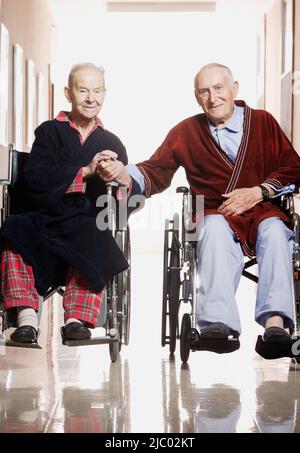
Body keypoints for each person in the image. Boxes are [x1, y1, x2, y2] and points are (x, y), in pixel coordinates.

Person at [98, 63, 300, 347]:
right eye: (204, 91)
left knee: (276, 232)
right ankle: (217, 323)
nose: (213, 97)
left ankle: (275, 324)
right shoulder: (185, 131)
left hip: (263, 209)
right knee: (213, 228)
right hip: (214, 211)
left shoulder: (263, 121)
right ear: (196, 96)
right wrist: (122, 172)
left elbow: (292, 166)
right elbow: (156, 170)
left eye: (219, 88)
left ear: (234, 89)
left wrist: (259, 191)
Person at [0, 63, 139, 343]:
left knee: (96, 232)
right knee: (14, 228)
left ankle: (77, 320)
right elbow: (35, 179)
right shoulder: (49, 132)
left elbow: (129, 203)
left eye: (97, 91)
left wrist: (120, 178)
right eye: (83, 90)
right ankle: (26, 318)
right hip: (44, 217)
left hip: (86, 220)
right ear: (68, 92)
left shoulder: (112, 141)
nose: (91, 98)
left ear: (105, 93)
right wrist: (86, 171)